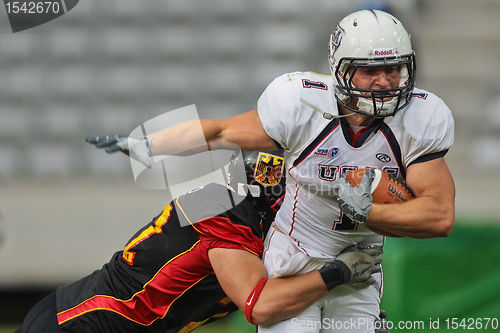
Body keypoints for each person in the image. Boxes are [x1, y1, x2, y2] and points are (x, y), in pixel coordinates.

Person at [89, 9, 455, 332]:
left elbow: (439, 216)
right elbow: (221, 131)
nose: (385, 82)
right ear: (341, 68)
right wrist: (149, 144)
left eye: (393, 69)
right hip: (295, 256)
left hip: (360, 265)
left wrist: (368, 212)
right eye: (371, 70)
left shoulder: (420, 118)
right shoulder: (303, 104)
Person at [16, 151, 382, 333]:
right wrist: (338, 274)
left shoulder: (231, 203)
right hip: (77, 325)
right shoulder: (228, 217)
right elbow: (261, 305)